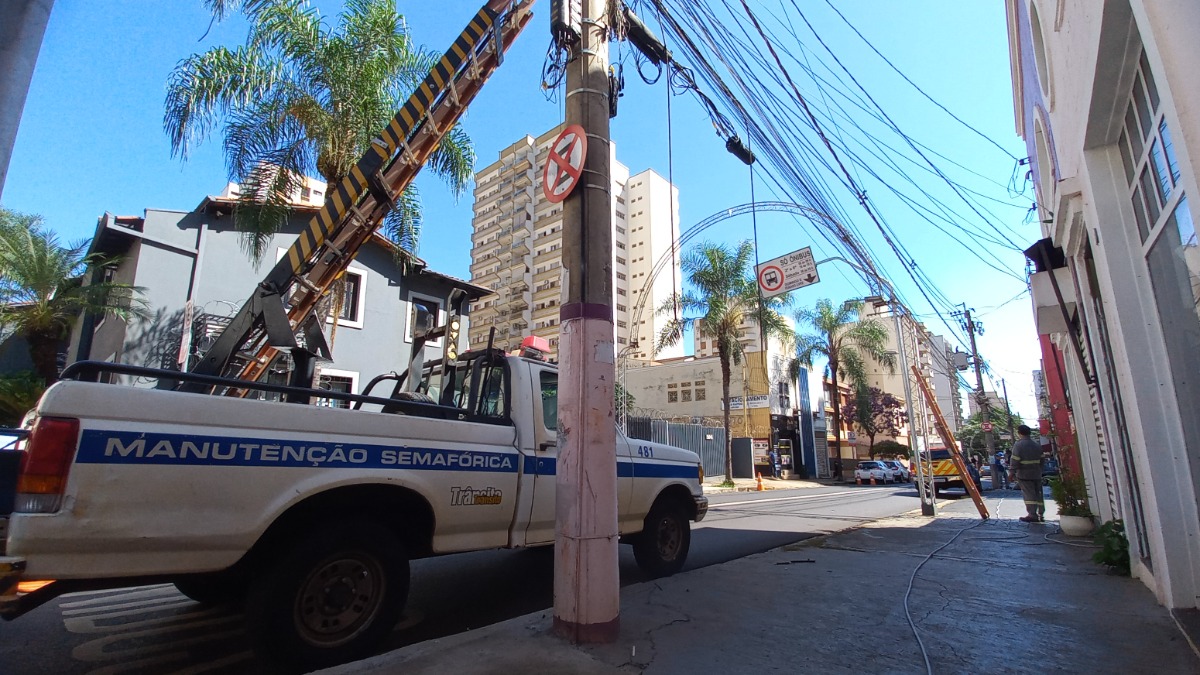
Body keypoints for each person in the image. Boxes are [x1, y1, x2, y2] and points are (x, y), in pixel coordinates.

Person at [1009, 425, 1045, 522]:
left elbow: (1015, 460)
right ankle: (1041, 514)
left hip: (1024, 474)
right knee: (1038, 494)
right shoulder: (1036, 444)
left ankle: (1032, 515)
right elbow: (1042, 459)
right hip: (1037, 473)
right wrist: (1039, 470)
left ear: (1019, 433)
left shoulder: (1019, 445)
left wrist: (1011, 473)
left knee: (1029, 495)